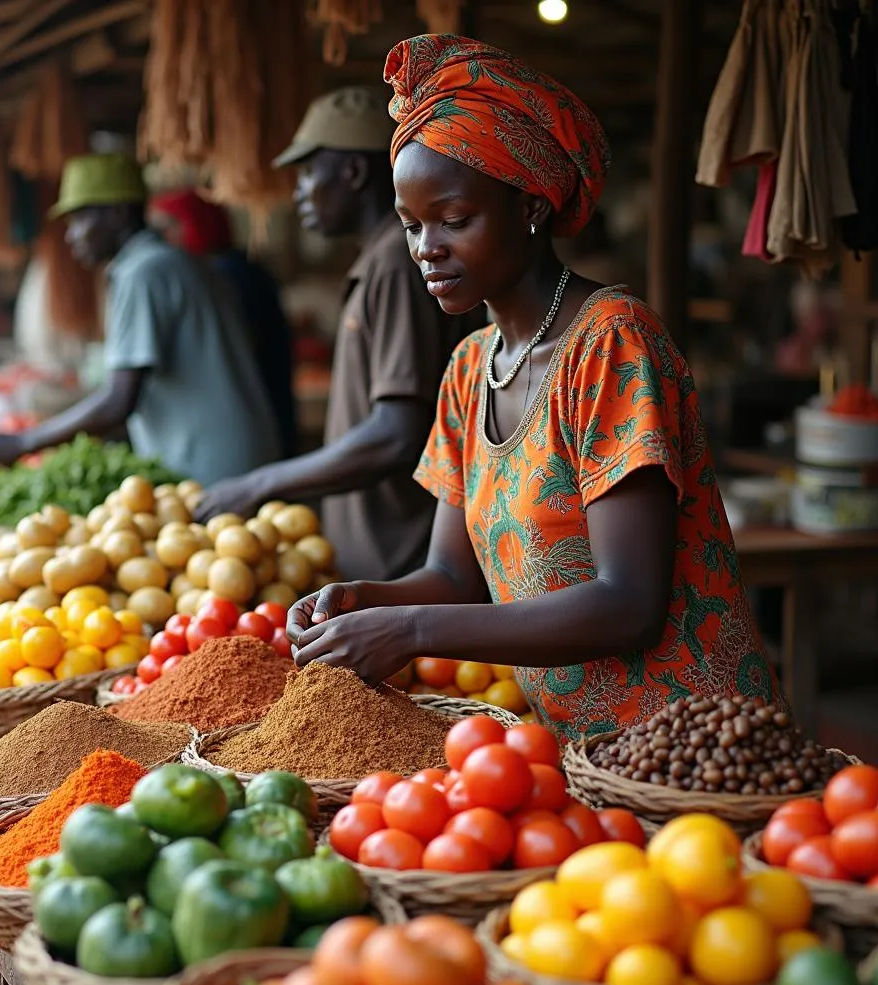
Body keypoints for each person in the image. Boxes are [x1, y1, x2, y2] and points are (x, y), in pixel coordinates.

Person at [287, 36, 778, 739]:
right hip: (576, 751)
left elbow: (628, 602)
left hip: (696, 741)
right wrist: (362, 602)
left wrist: (412, 629)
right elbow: (453, 578)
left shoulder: (612, 345)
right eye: (411, 225)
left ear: (531, 208)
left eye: (455, 220)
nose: (428, 246)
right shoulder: (468, 371)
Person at [195, 87, 486, 581]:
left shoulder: (397, 264)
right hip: (385, 562)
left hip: (406, 563)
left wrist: (263, 482)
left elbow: (396, 434)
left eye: (309, 173)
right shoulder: (380, 262)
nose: (298, 192)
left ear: (352, 173)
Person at [0, 153, 282, 483]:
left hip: (214, 466)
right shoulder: (171, 261)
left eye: (80, 219)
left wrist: (26, 441)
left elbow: (119, 400)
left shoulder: (144, 273)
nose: (71, 235)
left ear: (118, 214)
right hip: (240, 453)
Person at [148, 190, 298, 457]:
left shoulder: (230, 274)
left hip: (256, 408)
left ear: (195, 224)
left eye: (166, 227)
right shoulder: (231, 269)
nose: (159, 240)